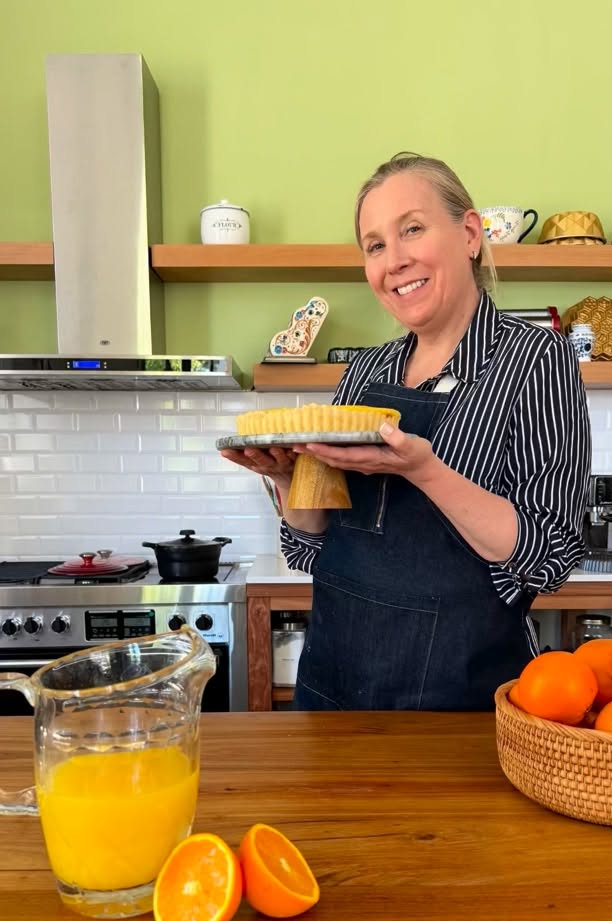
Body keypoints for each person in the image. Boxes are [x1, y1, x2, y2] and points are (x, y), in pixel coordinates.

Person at [221, 152, 592, 711]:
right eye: (374, 245)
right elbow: (310, 543)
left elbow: (550, 552)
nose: (392, 261)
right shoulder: (365, 372)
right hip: (332, 688)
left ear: (469, 233)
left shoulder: (536, 359)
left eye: (411, 229)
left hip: (460, 700)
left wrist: (425, 471)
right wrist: (285, 479)